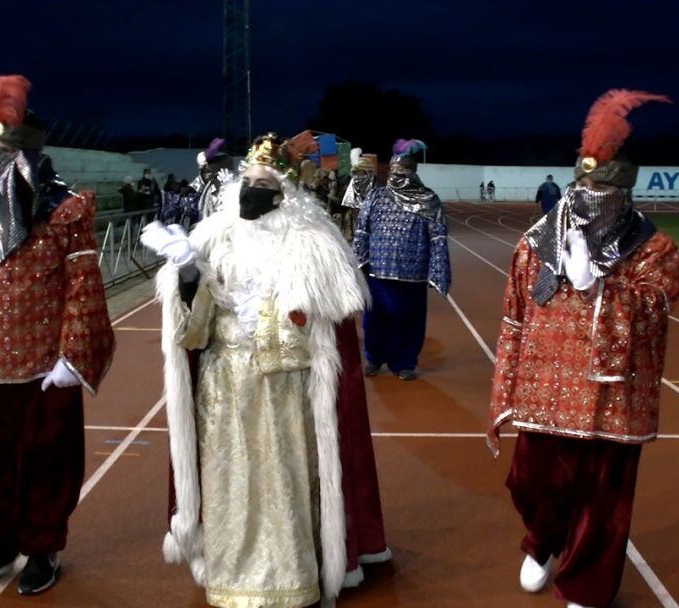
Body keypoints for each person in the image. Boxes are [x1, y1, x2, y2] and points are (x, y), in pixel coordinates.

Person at [143, 132, 370, 607]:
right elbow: (194, 329)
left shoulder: (311, 243)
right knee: (230, 483)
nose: (252, 188)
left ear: (286, 193)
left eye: (263, 182)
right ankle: (231, 576)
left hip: (286, 388)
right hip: (224, 385)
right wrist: (188, 274)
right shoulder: (214, 236)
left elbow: (328, 320)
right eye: (247, 179)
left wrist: (274, 317)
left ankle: (293, 578)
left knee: (286, 484)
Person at [488, 89, 679, 608]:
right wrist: (505, 385)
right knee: (528, 481)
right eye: (587, 182)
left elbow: (659, 304)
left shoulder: (651, 245)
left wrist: (602, 289)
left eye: (604, 186)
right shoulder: (537, 240)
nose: (594, 193)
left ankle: (586, 585)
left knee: (603, 498)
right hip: (544, 387)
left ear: (623, 189)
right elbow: (514, 315)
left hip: (612, 396)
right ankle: (544, 539)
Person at [0, 75, 115, 597]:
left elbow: (82, 284)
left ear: (29, 151)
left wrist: (72, 355)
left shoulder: (65, 206)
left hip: (41, 366)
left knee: (46, 467)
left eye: (6, 147)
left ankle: (41, 549)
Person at [353, 138, 451, 381]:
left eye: (402, 172)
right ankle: (374, 358)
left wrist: (437, 272)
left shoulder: (429, 200)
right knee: (374, 320)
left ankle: (404, 362)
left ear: (413, 173)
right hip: (377, 273)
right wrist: (358, 262)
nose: (397, 176)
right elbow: (362, 230)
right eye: (394, 172)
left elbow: (438, 237)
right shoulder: (376, 197)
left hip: (412, 275)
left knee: (409, 321)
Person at [340, 148, 378, 241]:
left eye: (360, 174)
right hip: (350, 233)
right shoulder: (347, 189)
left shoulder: (378, 194)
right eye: (355, 174)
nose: (357, 178)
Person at [195, 138, 236, 219]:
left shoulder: (233, 180)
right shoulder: (208, 184)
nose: (207, 173)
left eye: (208, 169)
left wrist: (229, 187)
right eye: (206, 170)